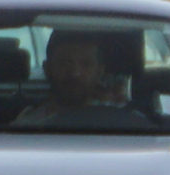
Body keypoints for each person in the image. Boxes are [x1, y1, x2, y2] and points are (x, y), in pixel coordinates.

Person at [18, 35, 146, 129]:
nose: (75, 73)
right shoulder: (25, 128)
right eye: (63, 63)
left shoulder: (130, 123)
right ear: (47, 69)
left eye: (86, 64)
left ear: (100, 71)